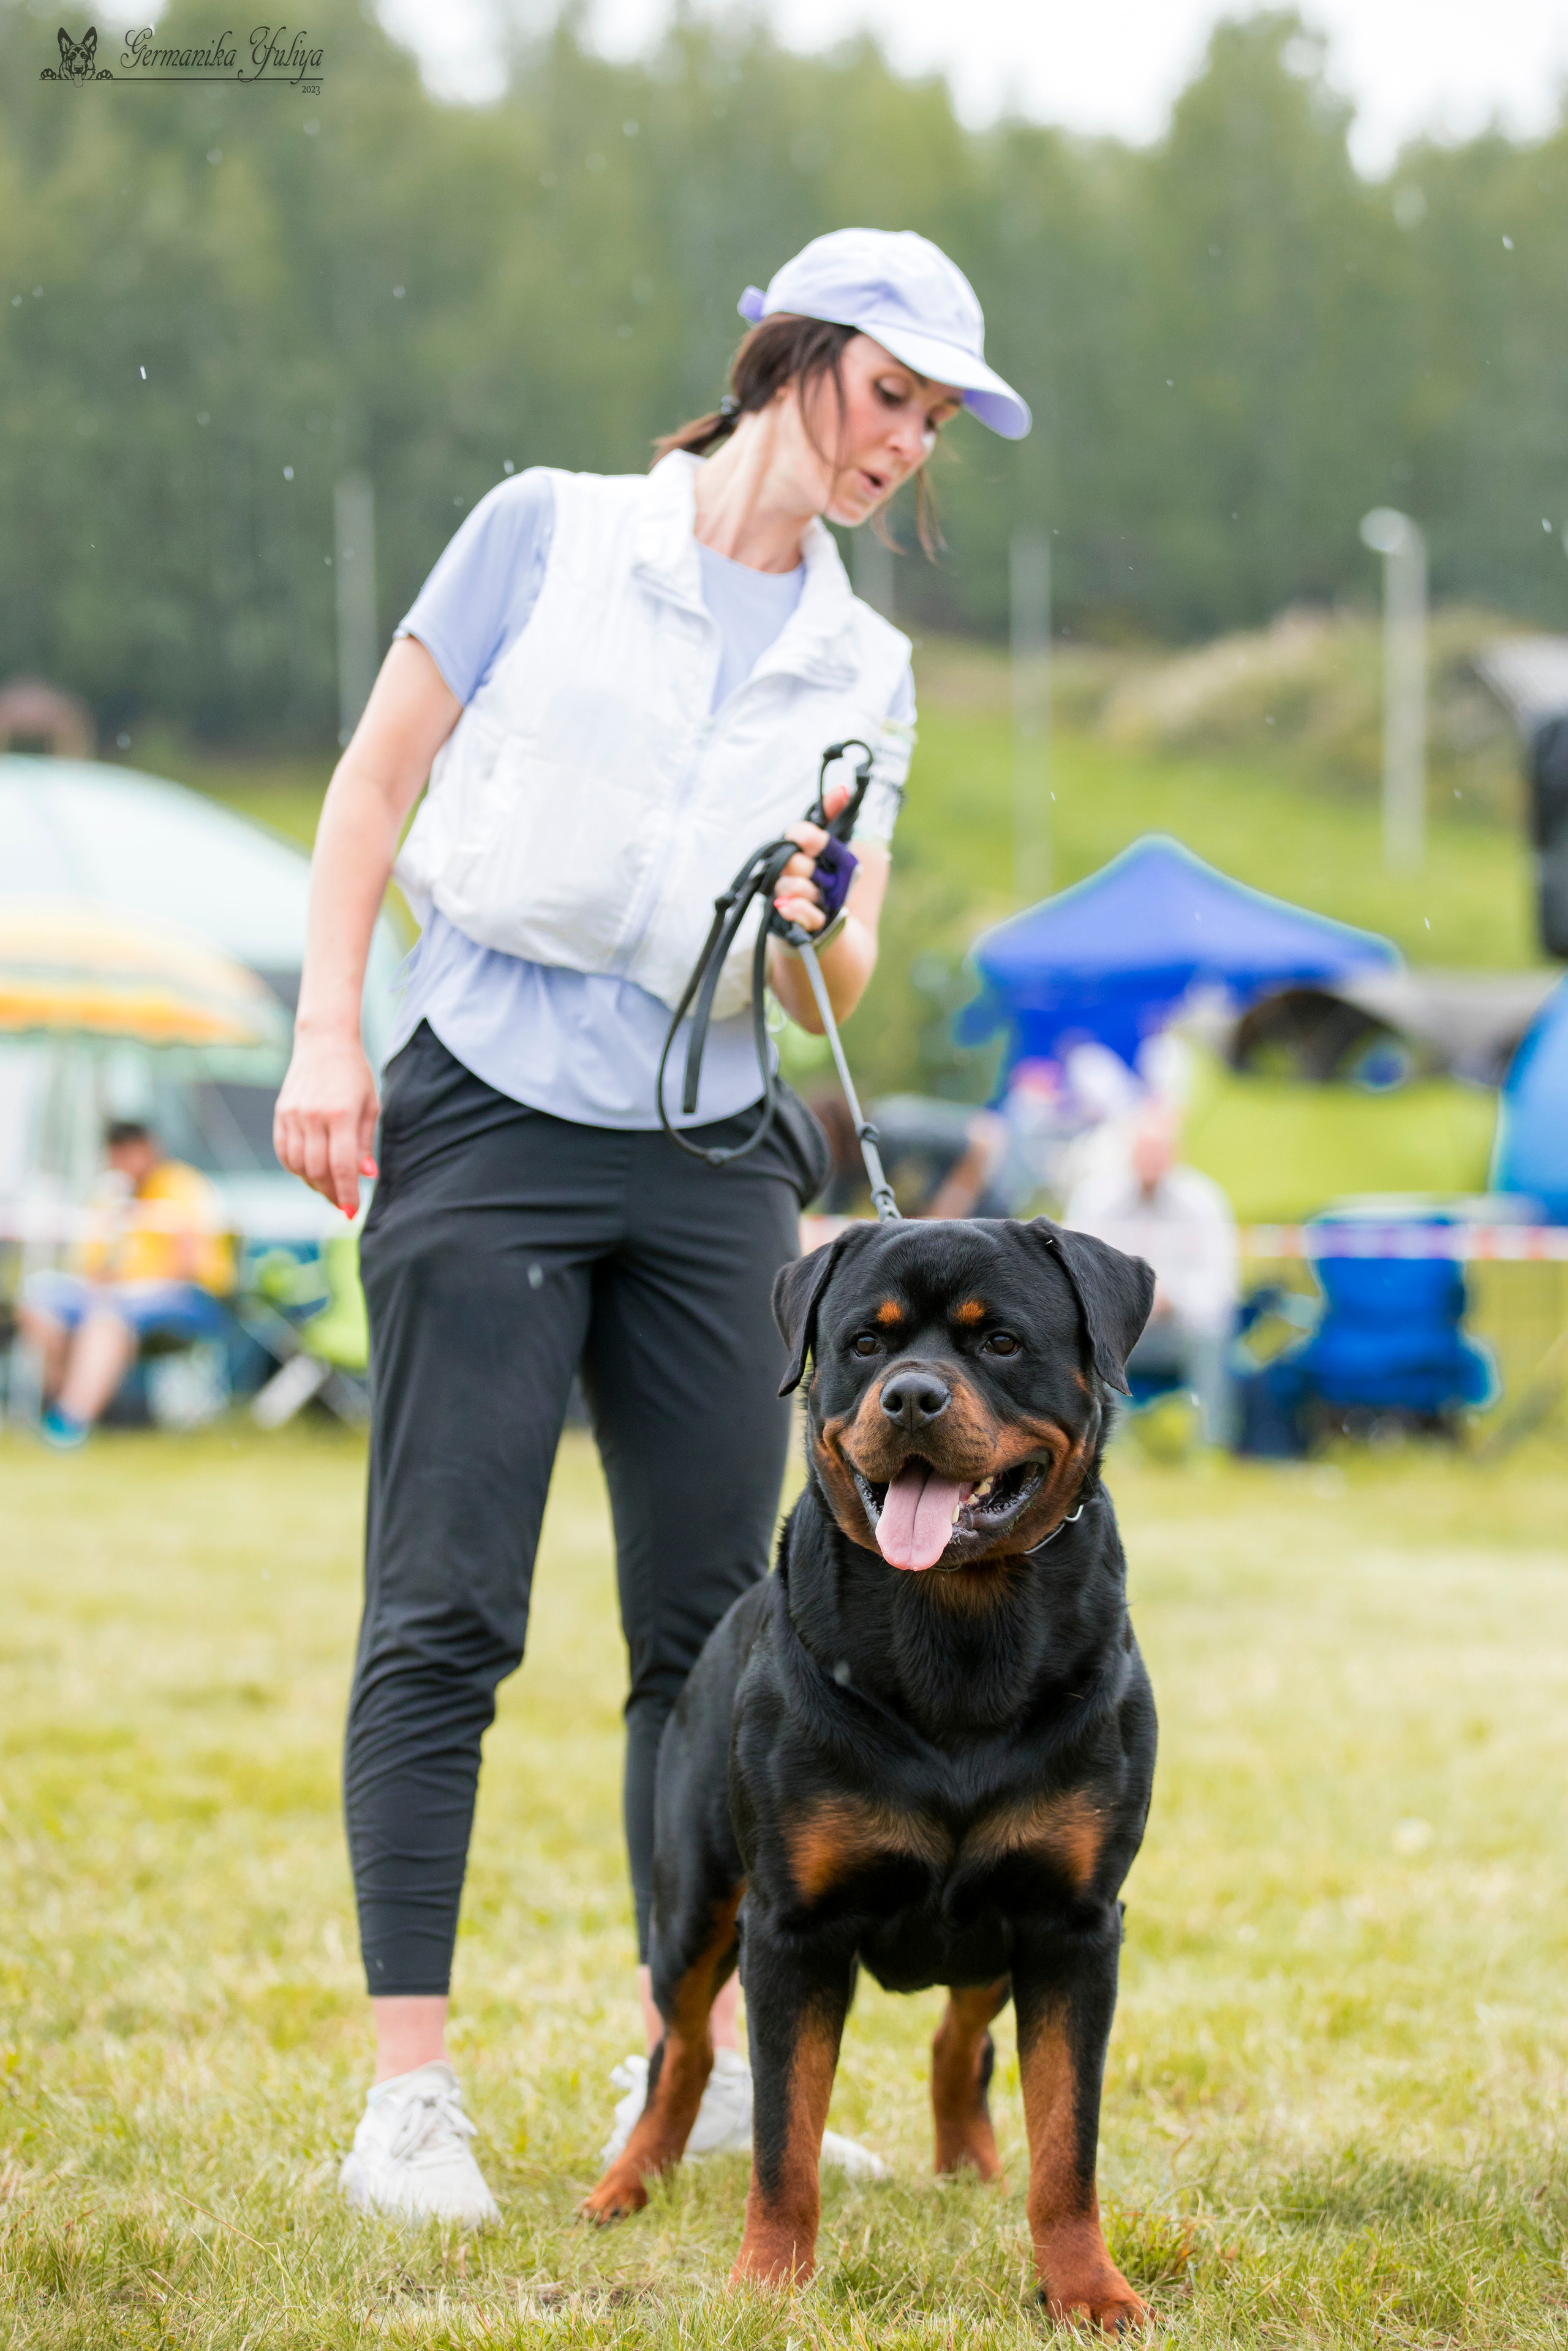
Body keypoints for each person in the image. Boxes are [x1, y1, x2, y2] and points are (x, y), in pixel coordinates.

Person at [270, 227, 1031, 2225]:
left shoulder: (864, 667)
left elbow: (833, 980)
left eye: (934, 418)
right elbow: (371, 785)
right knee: (448, 1610)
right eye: (888, 392)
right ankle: (407, 2102)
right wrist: (324, 1033)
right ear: (786, 355)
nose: (903, 443)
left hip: (713, 1156)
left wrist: (818, 916)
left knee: (719, 1647)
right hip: (487, 1107)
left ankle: (686, 2062)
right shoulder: (544, 532)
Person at [20, 1119, 235, 1448]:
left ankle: (69, 1423)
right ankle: (70, 1399)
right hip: (115, 1295)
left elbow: (192, 1267)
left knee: (108, 1318)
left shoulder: (184, 1187)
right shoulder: (108, 1194)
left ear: (152, 1150)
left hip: (184, 1298)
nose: (126, 1162)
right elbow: (92, 1269)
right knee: (40, 1302)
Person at [1064, 1109, 1239, 1449]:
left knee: (1213, 1333)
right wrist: (1128, 1305)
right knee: (1082, 1336)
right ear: (1130, 1153)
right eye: (1145, 1151)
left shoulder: (1204, 1202)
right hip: (1115, 1328)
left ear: (1176, 1154)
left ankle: (1212, 1446)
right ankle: (1108, 1447)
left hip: (1180, 1329)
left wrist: (1170, 1299)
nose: (1152, 1161)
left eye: (1160, 1152)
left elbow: (1220, 1285)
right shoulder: (1095, 1200)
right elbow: (1077, 1277)